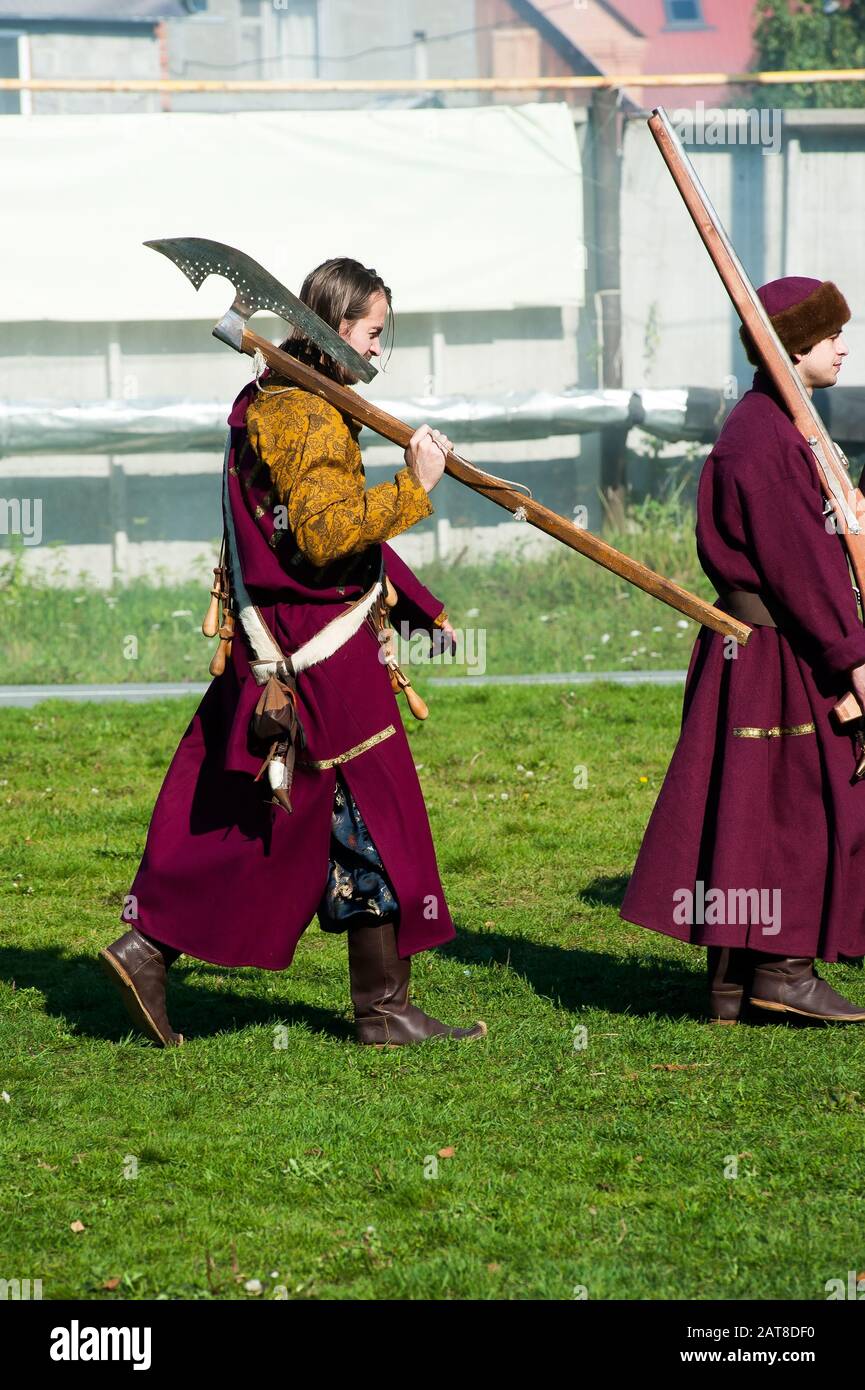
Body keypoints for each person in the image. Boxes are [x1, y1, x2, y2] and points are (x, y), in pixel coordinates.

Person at [99, 256, 486, 1048]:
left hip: (289, 644)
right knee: (373, 819)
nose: (380, 354)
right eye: (374, 334)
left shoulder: (276, 400)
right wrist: (417, 484)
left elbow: (314, 538)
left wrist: (412, 606)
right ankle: (382, 1010)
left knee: (267, 827)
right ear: (335, 329)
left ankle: (148, 950)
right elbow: (324, 533)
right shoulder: (304, 416)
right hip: (317, 658)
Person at [620, 275, 865, 1024]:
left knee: (746, 804)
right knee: (803, 802)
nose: (842, 348)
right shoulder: (759, 441)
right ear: (793, 347)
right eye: (830, 338)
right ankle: (783, 970)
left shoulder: (782, 426)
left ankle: (732, 983)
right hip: (776, 649)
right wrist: (852, 653)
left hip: (765, 646)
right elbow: (800, 565)